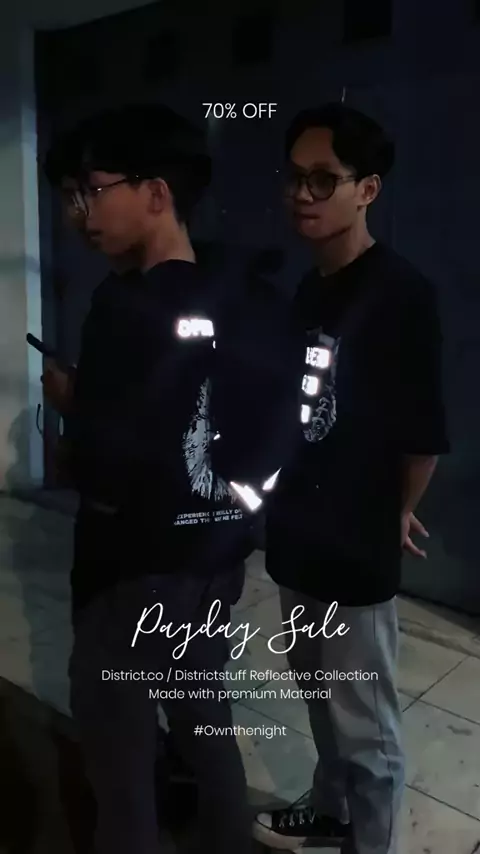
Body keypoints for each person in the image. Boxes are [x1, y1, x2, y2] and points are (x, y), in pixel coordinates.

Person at [42, 103, 302, 854]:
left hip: (132, 571)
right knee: (202, 712)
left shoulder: (122, 305)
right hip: (216, 558)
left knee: (119, 751)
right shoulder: (250, 293)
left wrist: (72, 409)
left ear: (156, 193)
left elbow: (106, 461)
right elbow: (263, 420)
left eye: (93, 191)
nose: (81, 213)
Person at [253, 103, 450, 854]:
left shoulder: (401, 293)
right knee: (316, 693)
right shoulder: (309, 290)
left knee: (365, 720)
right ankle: (332, 809)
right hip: (298, 531)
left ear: (367, 189)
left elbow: (423, 438)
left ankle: (372, 841)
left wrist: (396, 511)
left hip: (355, 540)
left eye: (322, 179)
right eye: (293, 178)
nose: (301, 195)